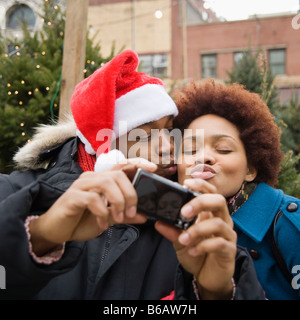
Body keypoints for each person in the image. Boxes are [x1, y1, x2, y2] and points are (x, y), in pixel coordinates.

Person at [0, 50, 264, 300]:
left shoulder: (191, 224)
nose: (168, 145)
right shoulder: (13, 195)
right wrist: (40, 235)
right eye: (146, 135)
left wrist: (216, 291)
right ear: (105, 148)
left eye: (171, 129)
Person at [173, 79, 300, 300]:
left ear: (250, 169)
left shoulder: (290, 224)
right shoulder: (168, 227)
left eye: (223, 149)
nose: (203, 157)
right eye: (191, 148)